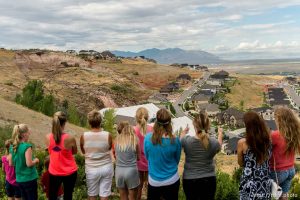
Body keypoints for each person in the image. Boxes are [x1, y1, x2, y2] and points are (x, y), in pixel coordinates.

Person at [180, 111, 223, 200]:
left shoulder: (187, 141)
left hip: (190, 180)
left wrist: (184, 132)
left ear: (195, 126)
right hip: (209, 180)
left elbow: (180, 139)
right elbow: (219, 145)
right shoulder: (213, 143)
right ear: (208, 126)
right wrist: (220, 134)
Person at [144, 108, 181, 200]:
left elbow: (147, 157)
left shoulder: (148, 138)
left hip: (154, 181)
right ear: (169, 123)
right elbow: (177, 160)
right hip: (171, 179)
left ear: (156, 121)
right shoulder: (175, 140)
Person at [80, 110, 113, 200]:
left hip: (91, 168)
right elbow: (109, 148)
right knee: (104, 194)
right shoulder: (108, 135)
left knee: (92, 194)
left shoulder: (84, 136)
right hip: (106, 167)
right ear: (100, 121)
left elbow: (83, 151)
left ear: (89, 122)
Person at [238, 111, 272, 200]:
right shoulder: (268, 141)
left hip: (249, 183)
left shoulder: (242, 143)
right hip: (265, 182)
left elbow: (241, 164)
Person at [46, 111, 78, 200]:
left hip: (54, 171)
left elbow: (51, 152)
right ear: (64, 123)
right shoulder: (70, 138)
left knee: (52, 196)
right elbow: (75, 152)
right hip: (70, 171)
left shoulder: (47, 137)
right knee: (68, 195)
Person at [270, 106, 300, 200]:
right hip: (291, 170)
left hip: (277, 171)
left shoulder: (275, 135)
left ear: (279, 119)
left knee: (262, 194)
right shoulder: (296, 133)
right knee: (284, 196)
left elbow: (263, 150)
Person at [10, 124, 39, 200]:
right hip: (29, 179)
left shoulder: (12, 146)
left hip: (19, 180)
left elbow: (11, 163)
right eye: (28, 132)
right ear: (24, 134)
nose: (29, 134)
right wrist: (35, 160)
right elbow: (29, 164)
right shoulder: (27, 146)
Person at [115, 122, 140, 200]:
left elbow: (116, 156)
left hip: (119, 171)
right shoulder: (134, 140)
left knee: (123, 197)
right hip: (131, 171)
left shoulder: (117, 140)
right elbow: (138, 158)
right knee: (132, 197)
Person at [133, 107, 153, 200]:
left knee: (139, 187)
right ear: (147, 117)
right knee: (151, 186)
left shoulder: (133, 130)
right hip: (150, 161)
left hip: (137, 162)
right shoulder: (152, 129)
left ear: (136, 117)